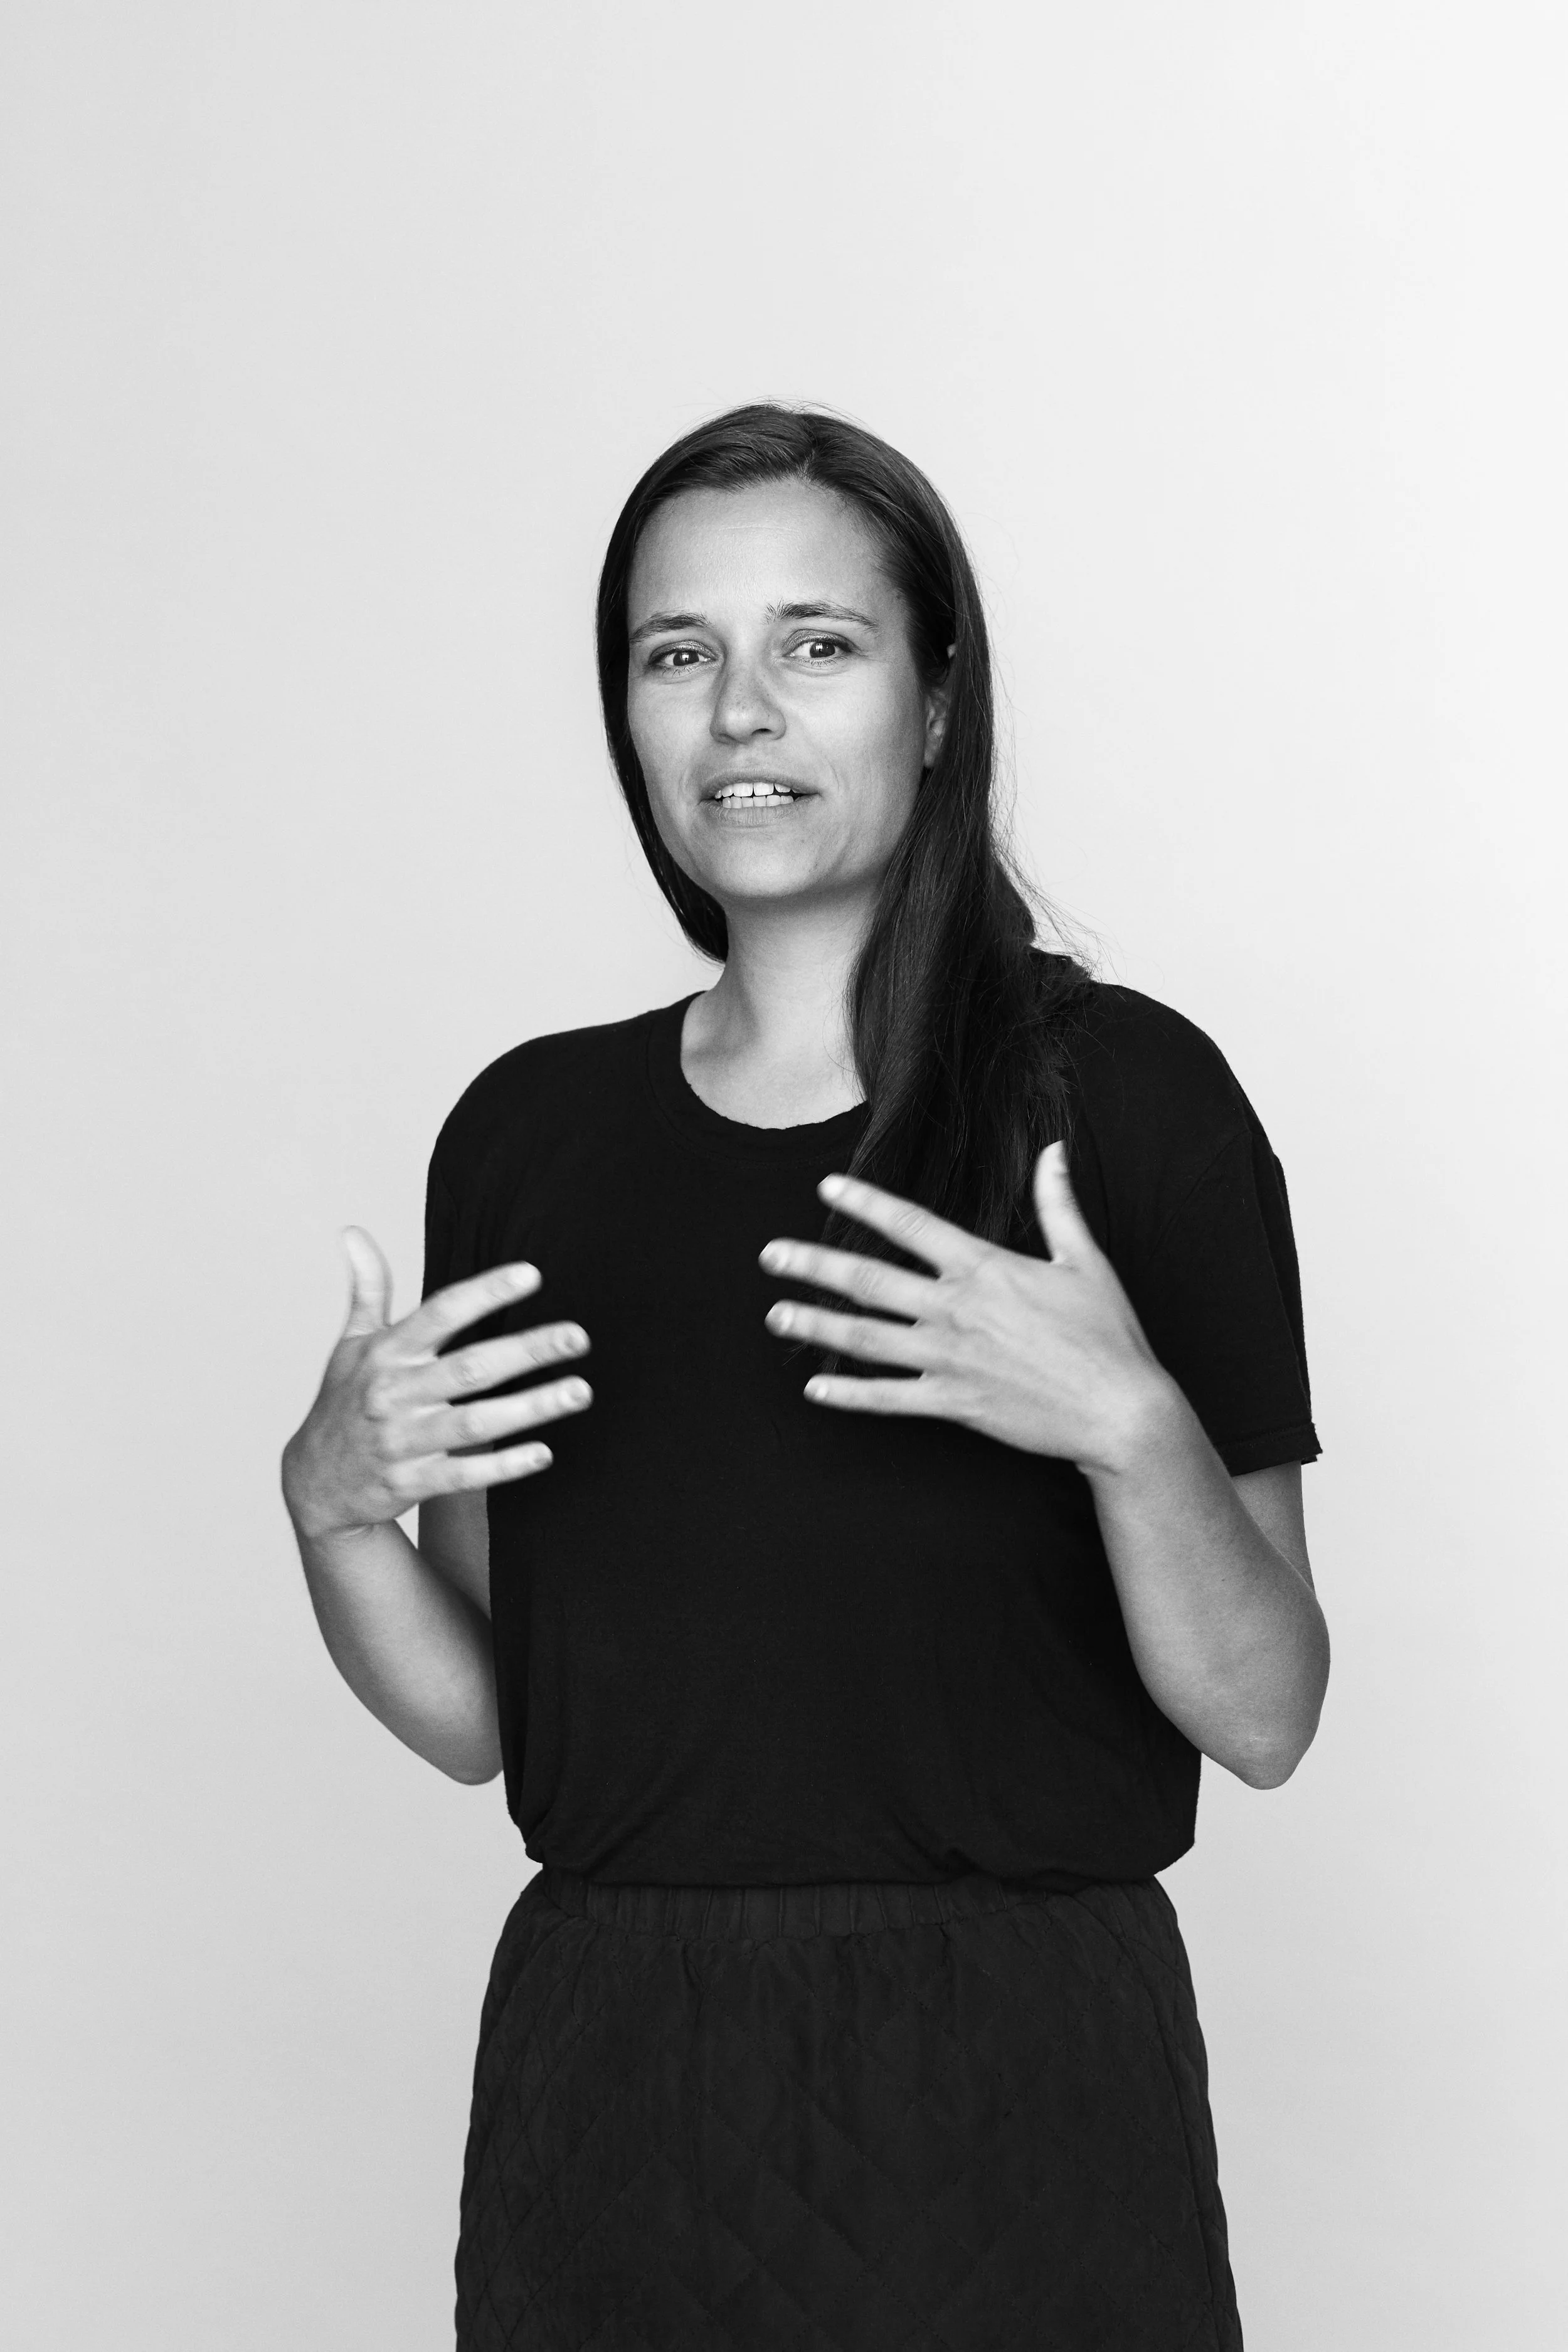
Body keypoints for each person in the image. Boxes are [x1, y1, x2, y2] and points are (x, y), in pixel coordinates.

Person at [282, 403, 1328, 2350]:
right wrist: (333, 1510)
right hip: (606, 2087)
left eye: (816, 644)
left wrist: (1124, 1422)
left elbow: (1263, 1711)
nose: (740, 710)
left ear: (940, 701)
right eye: (678, 653)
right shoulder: (526, 1135)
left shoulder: (1121, 1102)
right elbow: (482, 1716)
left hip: (1022, 2089)